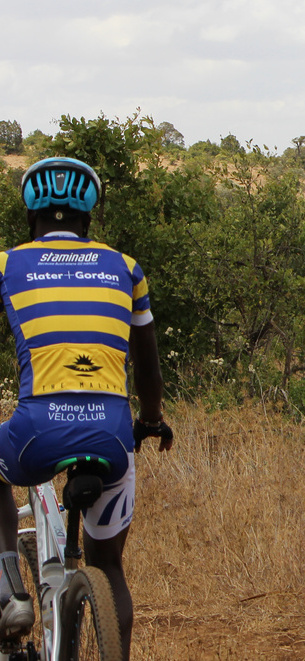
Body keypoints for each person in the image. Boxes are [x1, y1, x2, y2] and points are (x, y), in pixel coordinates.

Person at [0, 157, 173, 660]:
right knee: (110, 568)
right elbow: (149, 370)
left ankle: (9, 583)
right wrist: (151, 421)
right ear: (88, 219)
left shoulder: (9, 264)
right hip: (112, 437)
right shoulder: (126, 267)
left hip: (35, 431)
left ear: (29, 215)